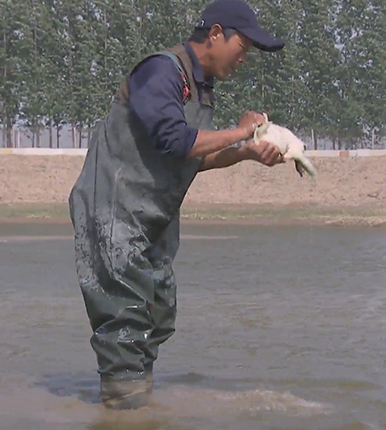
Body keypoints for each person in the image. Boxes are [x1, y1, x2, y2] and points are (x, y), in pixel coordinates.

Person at [68, 0, 286, 410]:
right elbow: (173, 139)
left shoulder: (201, 89)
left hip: (151, 217)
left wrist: (245, 151)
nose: (245, 57)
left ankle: (132, 399)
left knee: (157, 313)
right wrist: (239, 130)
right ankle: (125, 408)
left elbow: (190, 156)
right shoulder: (161, 71)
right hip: (114, 212)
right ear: (216, 33)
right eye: (244, 45)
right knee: (125, 321)